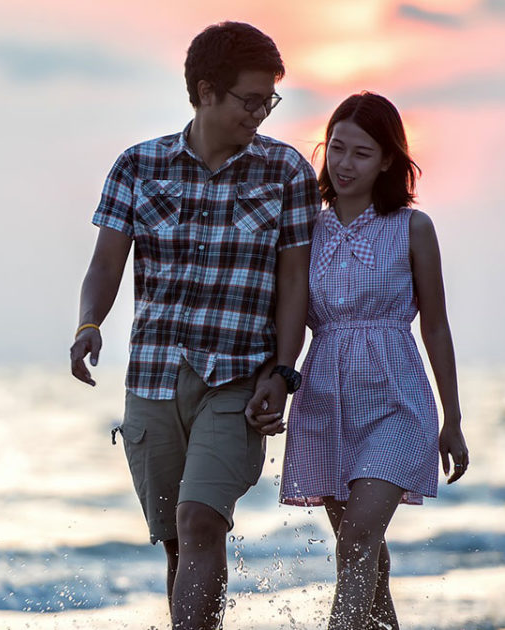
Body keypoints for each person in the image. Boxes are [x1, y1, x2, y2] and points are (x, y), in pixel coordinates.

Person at [68, 21, 319, 630]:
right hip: (152, 378)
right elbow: (106, 262)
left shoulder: (285, 172)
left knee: (201, 519)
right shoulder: (138, 165)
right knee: (180, 540)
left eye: (270, 101)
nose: (262, 112)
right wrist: (88, 324)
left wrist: (284, 374)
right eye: (251, 99)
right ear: (206, 91)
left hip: (237, 380)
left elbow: (294, 287)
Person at [278, 92, 470, 630]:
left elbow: (435, 324)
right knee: (362, 551)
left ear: (388, 160)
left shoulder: (414, 228)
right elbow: (288, 315)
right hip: (325, 402)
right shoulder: (305, 229)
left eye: (361, 153)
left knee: (359, 538)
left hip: (396, 400)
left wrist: (452, 418)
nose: (343, 164)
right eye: (336, 148)